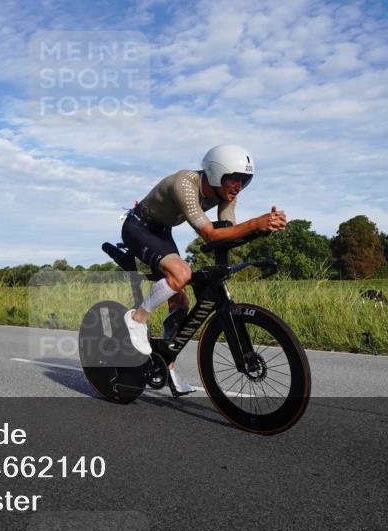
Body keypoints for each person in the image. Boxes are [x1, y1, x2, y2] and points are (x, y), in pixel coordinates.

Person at [120, 144, 288, 393]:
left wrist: (261, 230)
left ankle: (167, 364)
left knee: (180, 303)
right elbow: (210, 234)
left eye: (245, 180)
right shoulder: (185, 183)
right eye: (235, 179)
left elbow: (227, 233)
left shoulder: (226, 195)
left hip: (162, 232)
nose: (239, 186)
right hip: (138, 227)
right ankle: (137, 318)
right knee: (182, 273)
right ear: (216, 173)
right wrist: (255, 223)